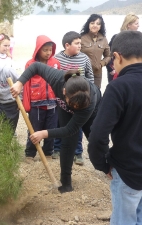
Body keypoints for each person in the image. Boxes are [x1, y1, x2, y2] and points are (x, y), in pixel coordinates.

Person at [10, 63, 101, 193]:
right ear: (64, 92)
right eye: (72, 105)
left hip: (89, 112)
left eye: (76, 107)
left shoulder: (89, 101)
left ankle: (109, 168)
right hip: (64, 107)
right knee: (68, 142)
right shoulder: (57, 78)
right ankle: (66, 183)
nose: (74, 108)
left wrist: (44, 133)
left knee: (95, 140)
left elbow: (71, 128)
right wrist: (20, 83)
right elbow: (36, 66)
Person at [88, 31, 142, 225]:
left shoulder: (119, 87)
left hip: (128, 170)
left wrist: (103, 165)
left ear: (117, 57)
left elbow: (97, 136)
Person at [53, 31, 94, 165]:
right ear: (67, 45)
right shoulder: (57, 59)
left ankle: (78, 153)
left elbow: (90, 77)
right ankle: (57, 148)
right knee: (60, 123)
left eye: (80, 43)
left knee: (78, 126)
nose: (80, 46)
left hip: (79, 100)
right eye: (77, 44)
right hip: (62, 100)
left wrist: (87, 94)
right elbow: (54, 79)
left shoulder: (84, 58)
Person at [23, 35, 60, 163]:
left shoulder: (55, 63)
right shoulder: (30, 64)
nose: (48, 53)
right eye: (45, 50)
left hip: (53, 103)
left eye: (50, 50)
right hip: (36, 104)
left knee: (51, 129)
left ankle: (48, 152)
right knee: (34, 129)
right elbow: (26, 85)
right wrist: (26, 104)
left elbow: (59, 82)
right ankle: (30, 153)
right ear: (38, 49)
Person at [106, 13, 139, 82]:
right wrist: (111, 69)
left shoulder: (137, 39)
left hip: (132, 72)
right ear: (129, 25)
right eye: (136, 24)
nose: (138, 26)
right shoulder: (116, 37)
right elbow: (109, 55)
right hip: (116, 72)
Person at [80, 14, 110, 88]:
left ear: (101, 26)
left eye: (98, 24)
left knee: (96, 95)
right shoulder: (81, 38)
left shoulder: (103, 39)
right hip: (83, 73)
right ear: (88, 24)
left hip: (97, 74)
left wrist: (101, 63)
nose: (95, 25)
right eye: (92, 23)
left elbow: (109, 55)